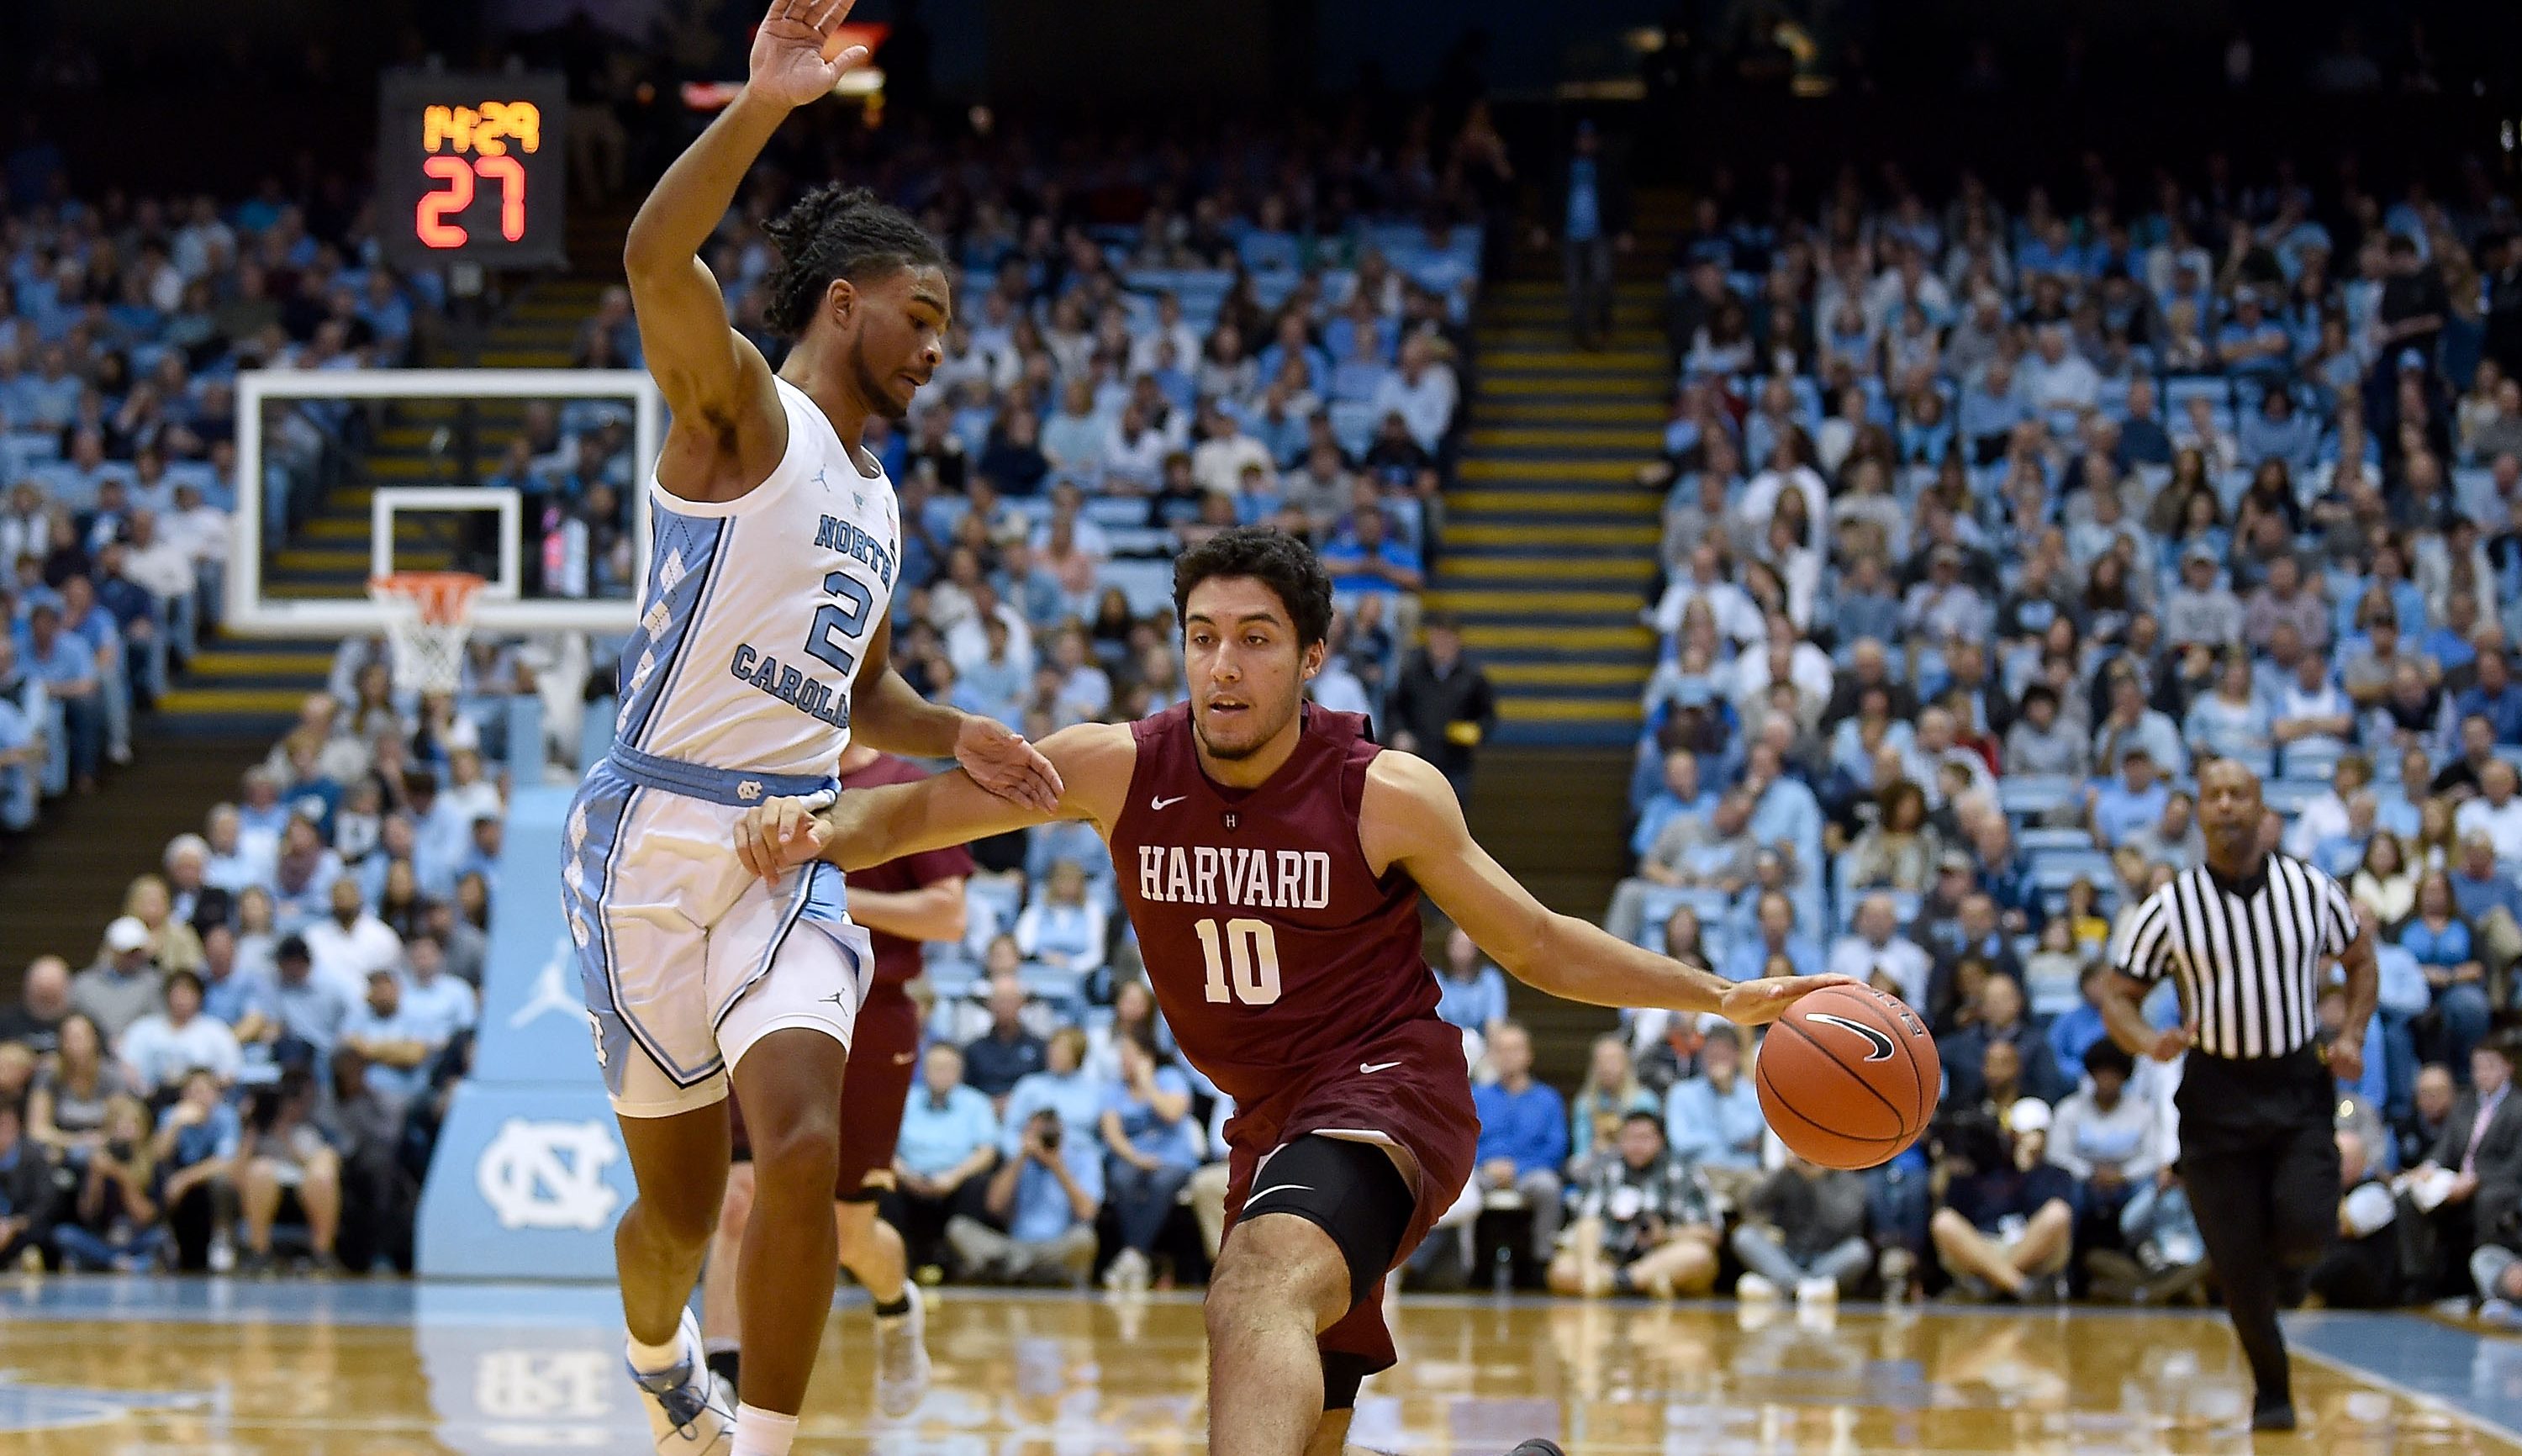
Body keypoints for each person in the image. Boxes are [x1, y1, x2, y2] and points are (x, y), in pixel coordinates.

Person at [732, 526, 1837, 1456]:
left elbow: (1539, 944)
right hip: (1267, 1125)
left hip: (1387, 1092)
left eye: (1256, 642)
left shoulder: (1385, 793)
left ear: (1312, 657)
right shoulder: (1115, 767)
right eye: (1203, 639)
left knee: (1253, 1282)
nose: (1223, 666)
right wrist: (818, 831)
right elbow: (922, 813)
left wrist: (1719, 993)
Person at [584, 9, 1059, 1453]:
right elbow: (654, 261)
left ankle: (767, 1443)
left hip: (793, 848)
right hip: (654, 837)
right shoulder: (742, 413)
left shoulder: (878, 498)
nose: (937, 353)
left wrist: (958, 730)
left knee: (797, 1146)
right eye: (925, 320)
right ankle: (660, 1351)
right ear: (847, 300)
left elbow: (859, 699)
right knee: (672, 1220)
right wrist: (766, 102)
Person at [2106, 758, 2377, 1431]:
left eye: (2240, 794)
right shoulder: (2170, 907)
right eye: (2214, 796)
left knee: (2308, 1228)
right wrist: (2147, 1041)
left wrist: (2355, 1031)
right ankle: (2274, 1392)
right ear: (2199, 812)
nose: (2226, 805)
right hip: (2214, 1095)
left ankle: (2293, 1272)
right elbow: (2118, 992)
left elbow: (2361, 958)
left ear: (2262, 810)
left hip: (2296, 1083)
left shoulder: (2310, 889)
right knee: (2236, 1262)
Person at [703, 742, 969, 1415]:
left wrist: (831, 893)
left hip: (873, 1014)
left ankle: (894, 1304)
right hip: (767, 1001)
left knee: (849, 1236)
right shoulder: (763, 778)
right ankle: (722, 1389)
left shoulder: (903, 785)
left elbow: (949, 915)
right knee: (740, 1197)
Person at [1545, 1110, 1717, 1298]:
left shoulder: (1684, 1172)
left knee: (1698, 1256)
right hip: (1608, 1257)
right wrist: (1591, 1264)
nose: (1636, 1145)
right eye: (1629, 1138)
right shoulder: (1604, 1169)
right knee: (1562, 1269)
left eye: (1644, 1138)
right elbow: (1586, 1222)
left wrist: (1666, 1234)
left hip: (1664, 1256)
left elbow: (1711, 1233)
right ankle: (1615, 1281)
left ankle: (1622, 1281)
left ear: (1661, 1140)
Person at [1384, 613, 1496, 803]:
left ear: (1457, 640)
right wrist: (1399, 733)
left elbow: (1487, 715)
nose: (1440, 645)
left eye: (1446, 639)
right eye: (1436, 638)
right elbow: (1394, 709)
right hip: (1418, 761)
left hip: (1455, 763)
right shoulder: (1412, 674)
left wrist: (1476, 732)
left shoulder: (1473, 678)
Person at [1730, 1154, 1872, 1304]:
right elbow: (1755, 1205)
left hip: (1827, 1258)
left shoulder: (1851, 1181)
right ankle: (1803, 1288)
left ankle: (1782, 1286)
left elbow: (1838, 1222)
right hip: (1788, 1255)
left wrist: (1817, 1179)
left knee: (1859, 1251)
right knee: (1743, 1236)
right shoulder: (1790, 1174)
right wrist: (1783, 1170)